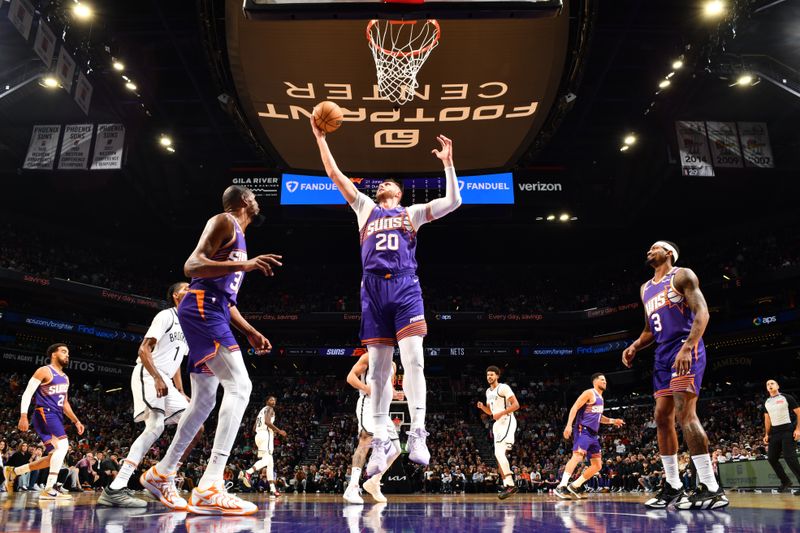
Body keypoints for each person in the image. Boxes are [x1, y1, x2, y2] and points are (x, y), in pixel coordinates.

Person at [310, 118, 462, 477]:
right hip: (373, 289)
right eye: (381, 182)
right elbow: (334, 174)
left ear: (399, 193)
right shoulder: (364, 207)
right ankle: (380, 439)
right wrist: (319, 138)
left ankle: (419, 433)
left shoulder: (412, 213)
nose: (384, 183)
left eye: (390, 182)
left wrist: (448, 163)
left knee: (414, 359)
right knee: (378, 371)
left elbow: (454, 201)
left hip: (406, 287)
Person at [140, 185, 281, 516]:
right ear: (244, 201)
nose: (258, 202)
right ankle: (210, 485)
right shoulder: (224, 221)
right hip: (202, 307)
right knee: (241, 386)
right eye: (254, 198)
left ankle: (162, 473)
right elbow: (192, 266)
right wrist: (245, 266)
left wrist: (249, 331)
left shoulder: (241, 242)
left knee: (204, 400)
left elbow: (227, 299)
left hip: (213, 309)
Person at [622, 241, 729, 509]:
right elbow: (649, 328)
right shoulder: (645, 288)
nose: (649, 250)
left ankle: (710, 486)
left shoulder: (682, 275)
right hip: (661, 355)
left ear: (669, 253)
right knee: (661, 416)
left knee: (685, 414)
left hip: (685, 348)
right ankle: (673, 485)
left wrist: (688, 346)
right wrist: (636, 345)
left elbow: (701, 312)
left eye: (655, 247)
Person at [99, 282, 205, 507]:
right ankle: (115, 487)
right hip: (148, 373)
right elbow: (143, 349)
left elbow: (176, 363)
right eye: (187, 288)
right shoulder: (166, 315)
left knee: (196, 426)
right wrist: (157, 377)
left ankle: (163, 475)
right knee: (155, 426)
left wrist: (181, 391)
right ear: (176, 296)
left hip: (166, 379)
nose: (192, 290)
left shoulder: (188, 325)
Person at [5, 344, 84, 500]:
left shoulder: (65, 377)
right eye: (63, 352)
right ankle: (49, 488)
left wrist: (76, 421)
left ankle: (13, 472)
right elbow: (27, 393)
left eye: (68, 352)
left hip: (56, 415)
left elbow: (65, 403)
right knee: (63, 446)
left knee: (54, 456)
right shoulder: (44, 370)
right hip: (44, 413)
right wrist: (23, 415)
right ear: (53, 354)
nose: (67, 355)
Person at [342, 353, 404, 504]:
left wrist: (396, 394)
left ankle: (374, 482)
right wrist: (366, 388)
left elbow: (388, 388)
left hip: (383, 409)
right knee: (365, 441)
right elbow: (350, 377)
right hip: (368, 404)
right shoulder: (369, 357)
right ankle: (352, 487)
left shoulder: (393, 365)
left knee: (396, 449)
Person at [555, 373, 624, 500]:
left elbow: (599, 417)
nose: (605, 382)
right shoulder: (589, 393)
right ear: (595, 381)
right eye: (602, 380)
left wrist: (613, 421)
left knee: (597, 465)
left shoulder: (601, 398)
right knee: (577, 456)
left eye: (605, 380)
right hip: (583, 429)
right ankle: (562, 485)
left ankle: (575, 486)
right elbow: (574, 407)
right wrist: (569, 425)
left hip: (593, 434)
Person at [476, 365, 520, 499]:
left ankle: (510, 484)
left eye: (492, 375)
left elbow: (516, 405)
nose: (489, 377)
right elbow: (491, 413)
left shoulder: (503, 388)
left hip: (507, 420)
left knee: (499, 453)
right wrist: (483, 407)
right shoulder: (488, 392)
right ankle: (508, 485)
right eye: (488, 375)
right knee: (498, 455)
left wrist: (501, 413)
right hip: (498, 424)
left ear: (497, 376)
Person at [242, 396, 287, 498]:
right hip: (265, 436)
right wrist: (279, 431)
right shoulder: (269, 409)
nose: (273, 401)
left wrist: (269, 431)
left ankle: (272, 489)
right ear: (267, 401)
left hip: (259, 435)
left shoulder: (260, 411)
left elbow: (254, 428)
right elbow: (267, 422)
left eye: (275, 400)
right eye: (271, 400)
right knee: (267, 460)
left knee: (270, 463)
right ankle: (248, 472)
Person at [762, 379, 800, 493]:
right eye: (767, 384)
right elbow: (767, 419)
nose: (770, 385)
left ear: (777, 386)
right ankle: (785, 481)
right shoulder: (767, 402)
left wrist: (798, 429)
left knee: (790, 458)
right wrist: (766, 434)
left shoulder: (786, 397)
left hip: (787, 431)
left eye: (772, 383)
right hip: (775, 433)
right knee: (772, 458)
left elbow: (799, 413)